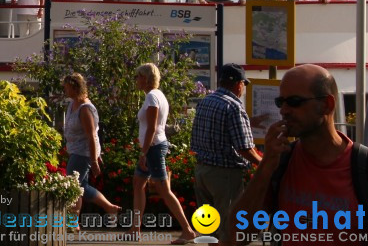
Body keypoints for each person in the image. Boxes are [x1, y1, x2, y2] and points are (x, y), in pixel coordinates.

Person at [236, 64, 368, 242]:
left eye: (294, 102)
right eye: (280, 102)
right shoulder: (281, 163)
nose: (284, 110)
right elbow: (235, 236)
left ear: (327, 105)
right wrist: (265, 166)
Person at [189, 64, 262, 244]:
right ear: (238, 84)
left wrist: (251, 122)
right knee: (230, 227)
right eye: (244, 84)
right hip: (225, 175)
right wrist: (263, 163)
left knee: (210, 228)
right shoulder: (234, 107)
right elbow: (244, 148)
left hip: (202, 171)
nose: (244, 88)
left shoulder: (206, 101)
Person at [131, 62, 196, 243]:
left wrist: (143, 153)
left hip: (153, 148)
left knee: (163, 189)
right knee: (138, 183)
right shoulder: (156, 95)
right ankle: (135, 229)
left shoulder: (152, 97)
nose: (136, 80)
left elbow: (152, 127)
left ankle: (187, 230)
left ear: (145, 78)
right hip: (153, 146)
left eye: (138, 76)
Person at [62, 73, 121, 221]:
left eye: (67, 87)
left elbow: (91, 136)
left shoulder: (85, 109)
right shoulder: (72, 104)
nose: (65, 90)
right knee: (81, 186)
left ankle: (73, 222)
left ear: (75, 88)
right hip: (74, 149)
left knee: (73, 185)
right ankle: (109, 207)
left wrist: (94, 161)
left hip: (83, 152)